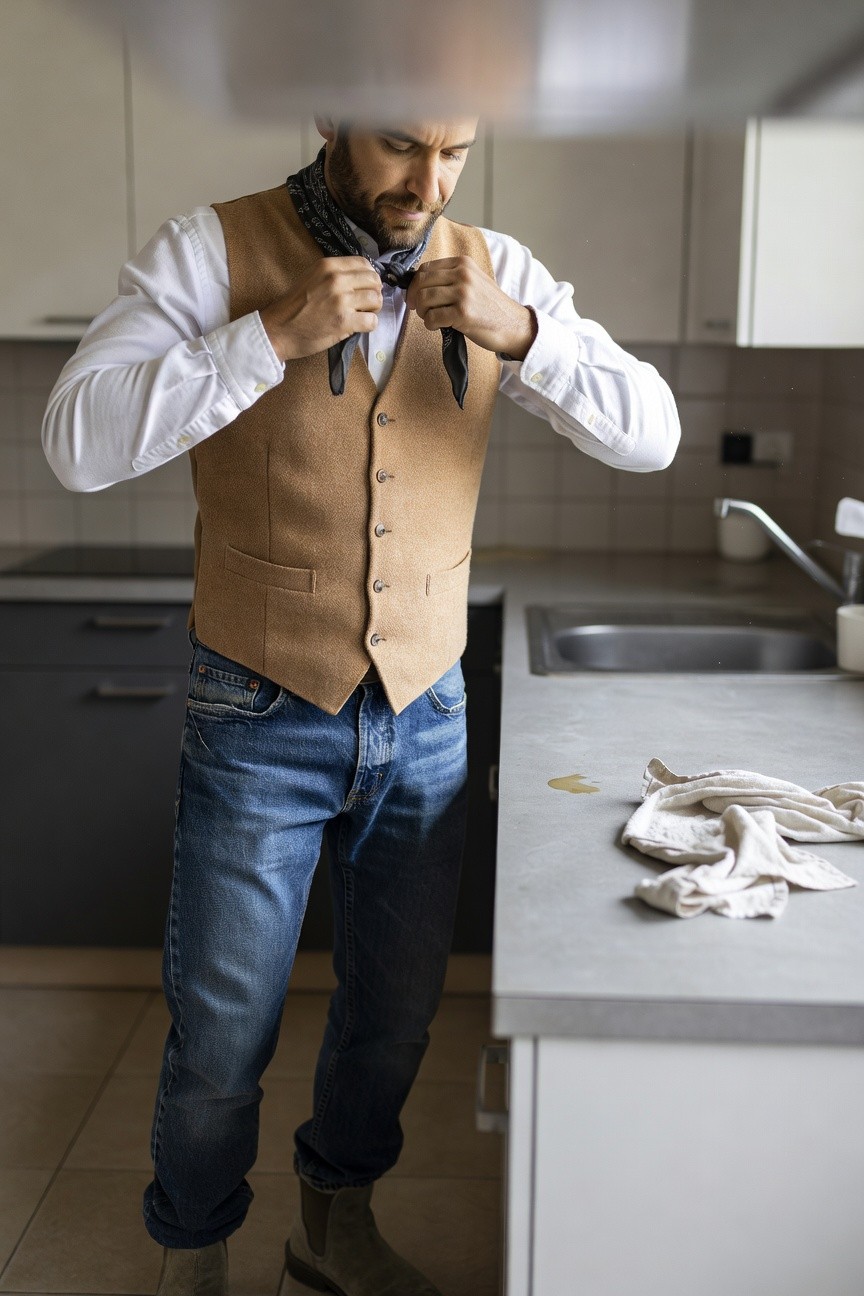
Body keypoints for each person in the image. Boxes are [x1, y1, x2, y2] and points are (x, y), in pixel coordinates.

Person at [42, 115, 680, 1296]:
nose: (426, 182)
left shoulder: (499, 269)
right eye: (399, 144)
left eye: (455, 153)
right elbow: (74, 444)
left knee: (393, 1017)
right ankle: (194, 1257)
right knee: (223, 1033)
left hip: (427, 708)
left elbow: (655, 435)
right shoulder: (208, 251)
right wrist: (263, 339)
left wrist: (523, 333)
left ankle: (331, 1230)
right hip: (255, 704)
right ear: (329, 111)